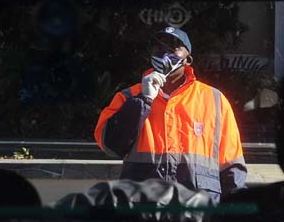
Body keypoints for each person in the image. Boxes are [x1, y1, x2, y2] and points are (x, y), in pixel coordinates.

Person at [94, 26, 247, 200]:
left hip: (197, 213)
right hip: (143, 211)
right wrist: (143, 100)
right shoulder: (128, 96)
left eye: (173, 47)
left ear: (188, 59)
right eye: (158, 47)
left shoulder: (214, 99)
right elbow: (110, 146)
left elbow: (232, 167)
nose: (164, 53)